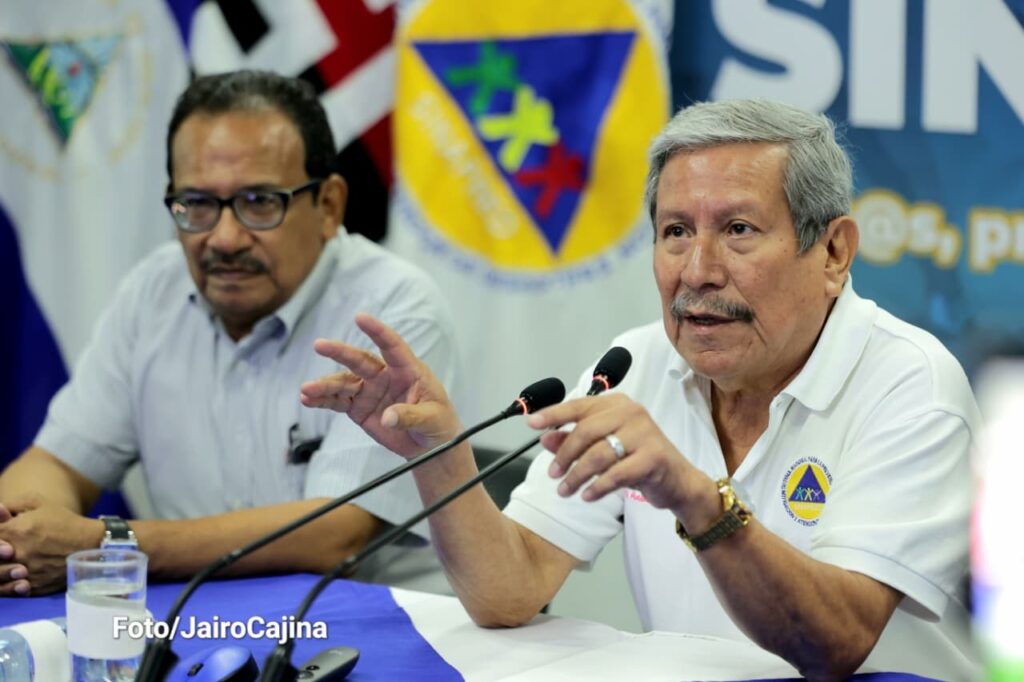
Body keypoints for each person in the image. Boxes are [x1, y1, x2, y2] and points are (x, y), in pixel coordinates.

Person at [299, 99, 978, 679]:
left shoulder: (912, 385)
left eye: (738, 230)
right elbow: (511, 590)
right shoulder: (638, 363)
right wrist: (439, 454)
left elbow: (836, 644)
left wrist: (697, 499)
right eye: (675, 232)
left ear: (833, 253)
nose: (697, 270)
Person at [0, 70, 458, 597]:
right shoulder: (153, 292)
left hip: (376, 623)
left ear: (329, 205)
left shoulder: (392, 308)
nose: (224, 238)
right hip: (195, 622)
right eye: (196, 203)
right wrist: (16, 533)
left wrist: (112, 545)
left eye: (259, 201)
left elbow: (337, 533)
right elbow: (58, 463)